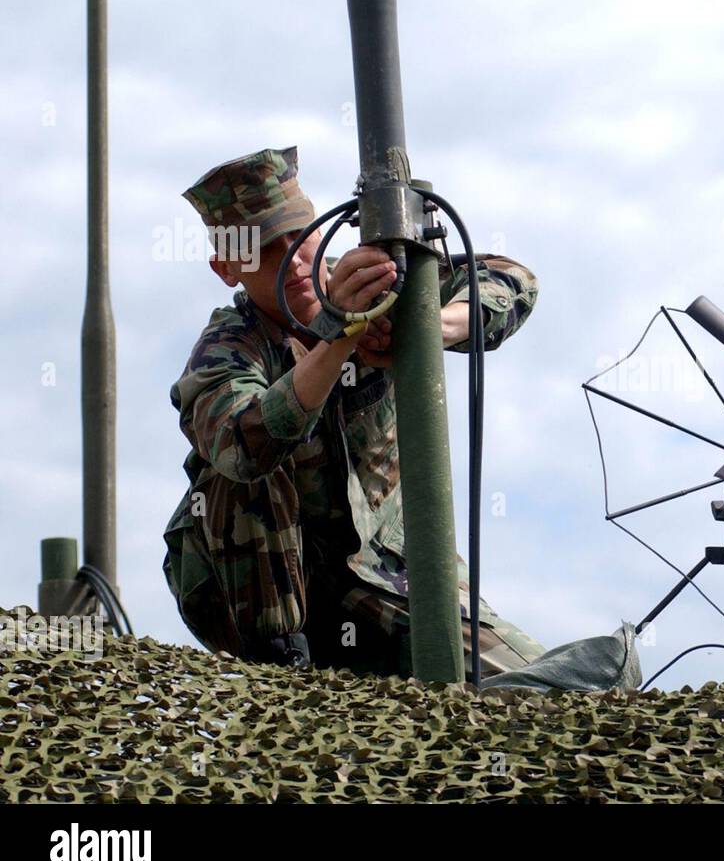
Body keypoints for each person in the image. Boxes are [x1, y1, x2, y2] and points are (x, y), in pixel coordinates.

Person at [162, 145, 546, 677]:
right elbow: (241, 446)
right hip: (262, 593)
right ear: (227, 268)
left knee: (543, 686)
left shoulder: (377, 282)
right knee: (240, 462)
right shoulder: (229, 347)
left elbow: (513, 278)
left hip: (384, 577)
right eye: (264, 249)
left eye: (299, 239)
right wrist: (340, 334)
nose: (294, 261)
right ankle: (282, 671)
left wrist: (431, 326)